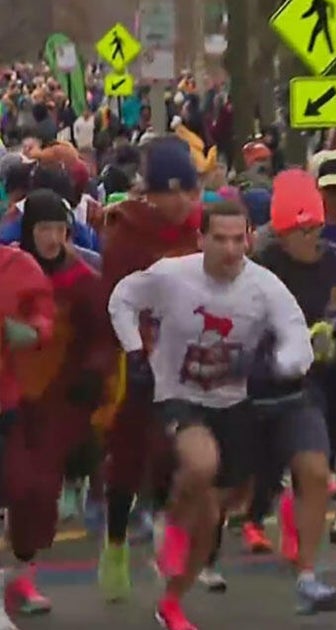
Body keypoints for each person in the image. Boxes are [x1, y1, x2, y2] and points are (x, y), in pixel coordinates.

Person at [108, 201, 314, 630]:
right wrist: (134, 351)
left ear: (250, 239)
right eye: (219, 239)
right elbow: (122, 298)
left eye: (239, 239)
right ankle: (171, 523)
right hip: (177, 395)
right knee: (202, 464)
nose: (230, 249)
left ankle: (172, 602)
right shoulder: (172, 275)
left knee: (213, 518)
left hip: (232, 404)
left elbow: (298, 340)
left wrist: (273, 366)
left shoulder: (264, 287)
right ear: (200, 240)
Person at [96, 138, 204, 603]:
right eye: (171, 191)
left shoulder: (201, 230)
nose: (181, 201)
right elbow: (118, 301)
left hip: (190, 359)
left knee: (178, 453)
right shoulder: (127, 232)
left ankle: (168, 529)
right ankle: (116, 542)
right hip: (136, 358)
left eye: (189, 190)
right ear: (151, 192)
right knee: (129, 458)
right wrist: (136, 350)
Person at [241, 169, 336, 612]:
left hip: (300, 392)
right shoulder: (257, 269)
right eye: (302, 229)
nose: (312, 237)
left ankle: (307, 575)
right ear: (281, 231)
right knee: (229, 491)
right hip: (248, 393)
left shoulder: (332, 265)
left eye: (317, 228)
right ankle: (190, 559)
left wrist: (329, 336)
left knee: (317, 472)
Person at [3, 190, 109, 617]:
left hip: (56, 401)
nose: (51, 237)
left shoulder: (84, 279)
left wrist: (93, 374)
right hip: (13, 394)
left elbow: (103, 336)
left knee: (36, 491)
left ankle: (25, 576)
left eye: (59, 229)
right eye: (43, 228)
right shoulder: (12, 269)